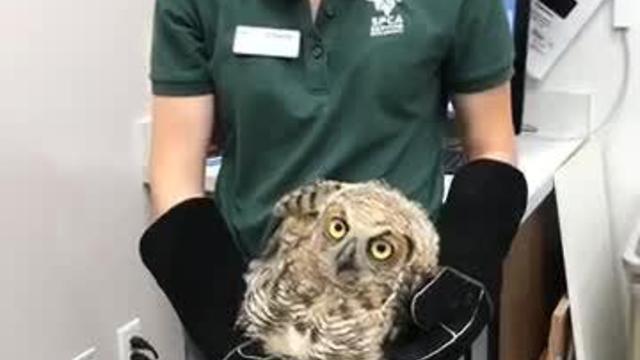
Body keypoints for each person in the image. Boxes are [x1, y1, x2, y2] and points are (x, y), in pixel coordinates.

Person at [139, 0, 528, 359]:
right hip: (244, 303)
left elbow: (491, 145)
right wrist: (231, 334)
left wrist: (465, 273)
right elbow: (174, 176)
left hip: (401, 311)